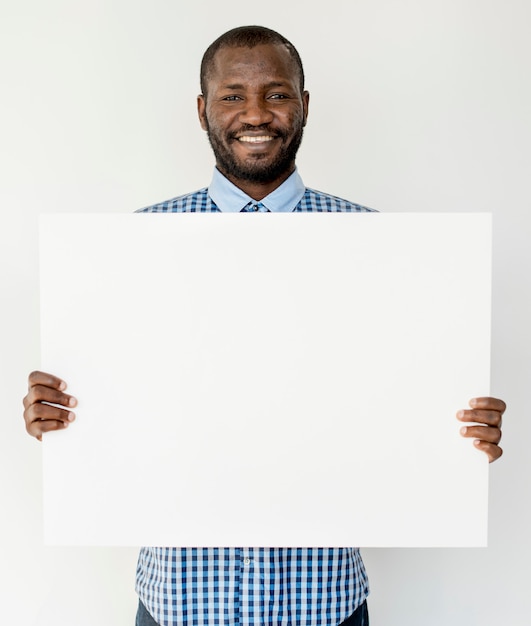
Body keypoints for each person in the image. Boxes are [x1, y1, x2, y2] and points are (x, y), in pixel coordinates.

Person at [22, 25, 506, 626]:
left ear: (304, 106)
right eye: (232, 96)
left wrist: (457, 436)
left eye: (277, 94)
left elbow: (400, 402)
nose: (255, 113)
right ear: (203, 110)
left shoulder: (381, 250)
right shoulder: (133, 248)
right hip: (180, 603)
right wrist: (65, 420)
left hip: (324, 603)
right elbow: (117, 407)